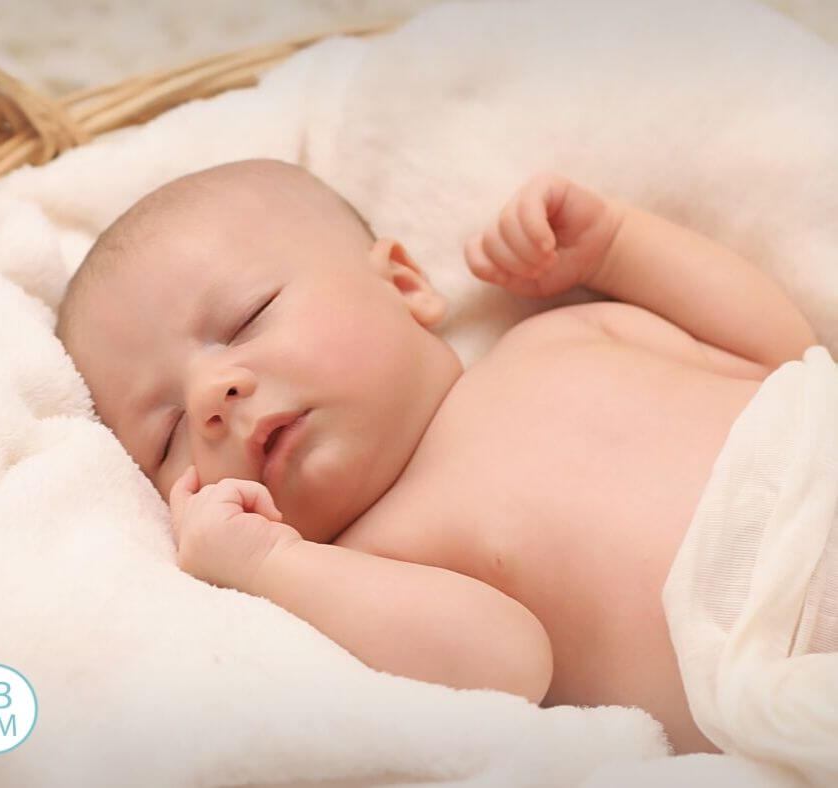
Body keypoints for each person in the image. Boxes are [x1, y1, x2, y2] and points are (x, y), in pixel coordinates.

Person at [55, 158, 823, 756]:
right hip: (792, 651)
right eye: (166, 433)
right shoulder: (369, 563)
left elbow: (777, 353)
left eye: (246, 319)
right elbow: (508, 661)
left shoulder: (556, 333)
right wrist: (265, 565)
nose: (212, 396)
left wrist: (619, 245)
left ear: (404, 283)